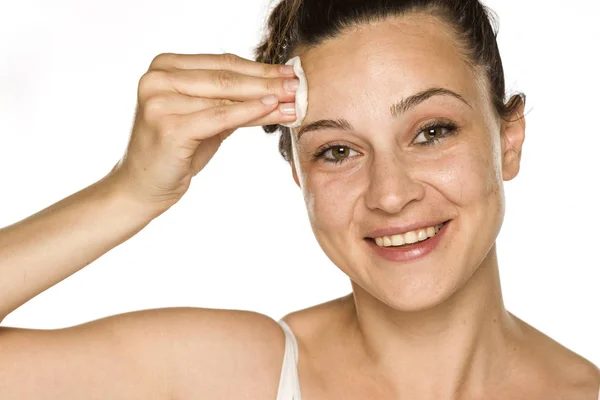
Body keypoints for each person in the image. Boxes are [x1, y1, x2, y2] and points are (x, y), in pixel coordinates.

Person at [0, 0, 599, 398]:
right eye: (337, 150)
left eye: (431, 132)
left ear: (509, 140)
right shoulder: (235, 377)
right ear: (298, 175)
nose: (390, 195)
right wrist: (128, 192)